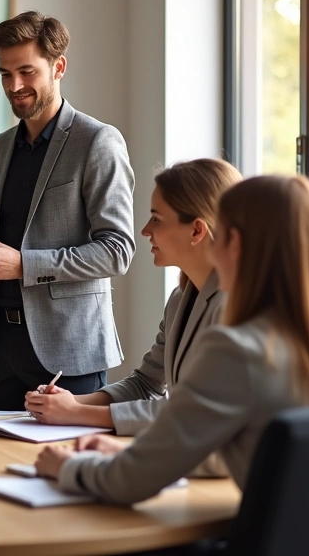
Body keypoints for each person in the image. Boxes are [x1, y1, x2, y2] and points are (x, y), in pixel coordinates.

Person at [34, 175, 309, 505]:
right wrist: (132, 451)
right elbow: (240, 446)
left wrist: (67, 467)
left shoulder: (240, 349)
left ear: (233, 243)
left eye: (218, 235)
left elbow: (130, 483)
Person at [0, 10, 135, 410]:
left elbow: (118, 250)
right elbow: (6, 236)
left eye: (27, 72)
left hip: (70, 351)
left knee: (66, 469)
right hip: (1, 347)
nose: (14, 86)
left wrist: (23, 265)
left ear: (58, 67)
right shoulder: (1, 148)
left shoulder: (98, 141)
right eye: (4, 74)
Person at [25, 159, 242, 438]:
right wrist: (69, 401)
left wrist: (76, 413)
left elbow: (194, 413)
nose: (145, 230)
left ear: (197, 231)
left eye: (157, 219)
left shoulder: (236, 308)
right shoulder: (180, 299)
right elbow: (145, 385)